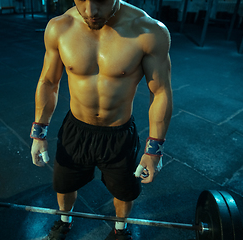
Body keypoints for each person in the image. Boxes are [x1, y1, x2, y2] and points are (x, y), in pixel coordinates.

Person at [30, 0, 173, 239]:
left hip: (118, 135)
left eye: (101, 0)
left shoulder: (149, 31)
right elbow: (48, 82)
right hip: (76, 130)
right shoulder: (60, 27)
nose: (90, 11)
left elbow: (160, 92)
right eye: (81, 0)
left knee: (124, 193)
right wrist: (38, 133)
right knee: (64, 186)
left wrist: (154, 150)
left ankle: (120, 229)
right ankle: (64, 222)